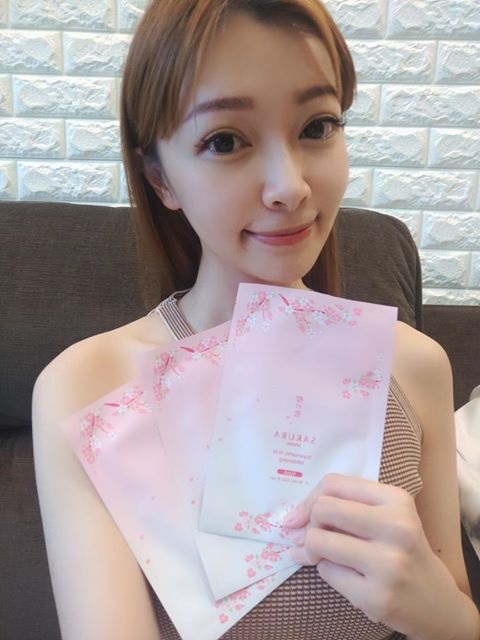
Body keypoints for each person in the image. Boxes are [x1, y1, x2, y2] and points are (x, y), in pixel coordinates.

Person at [32, 1, 480, 639]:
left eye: (317, 127)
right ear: (160, 178)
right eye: (225, 141)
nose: (289, 186)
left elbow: (457, 616)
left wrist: (432, 604)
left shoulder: (413, 364)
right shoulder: (88, 389)